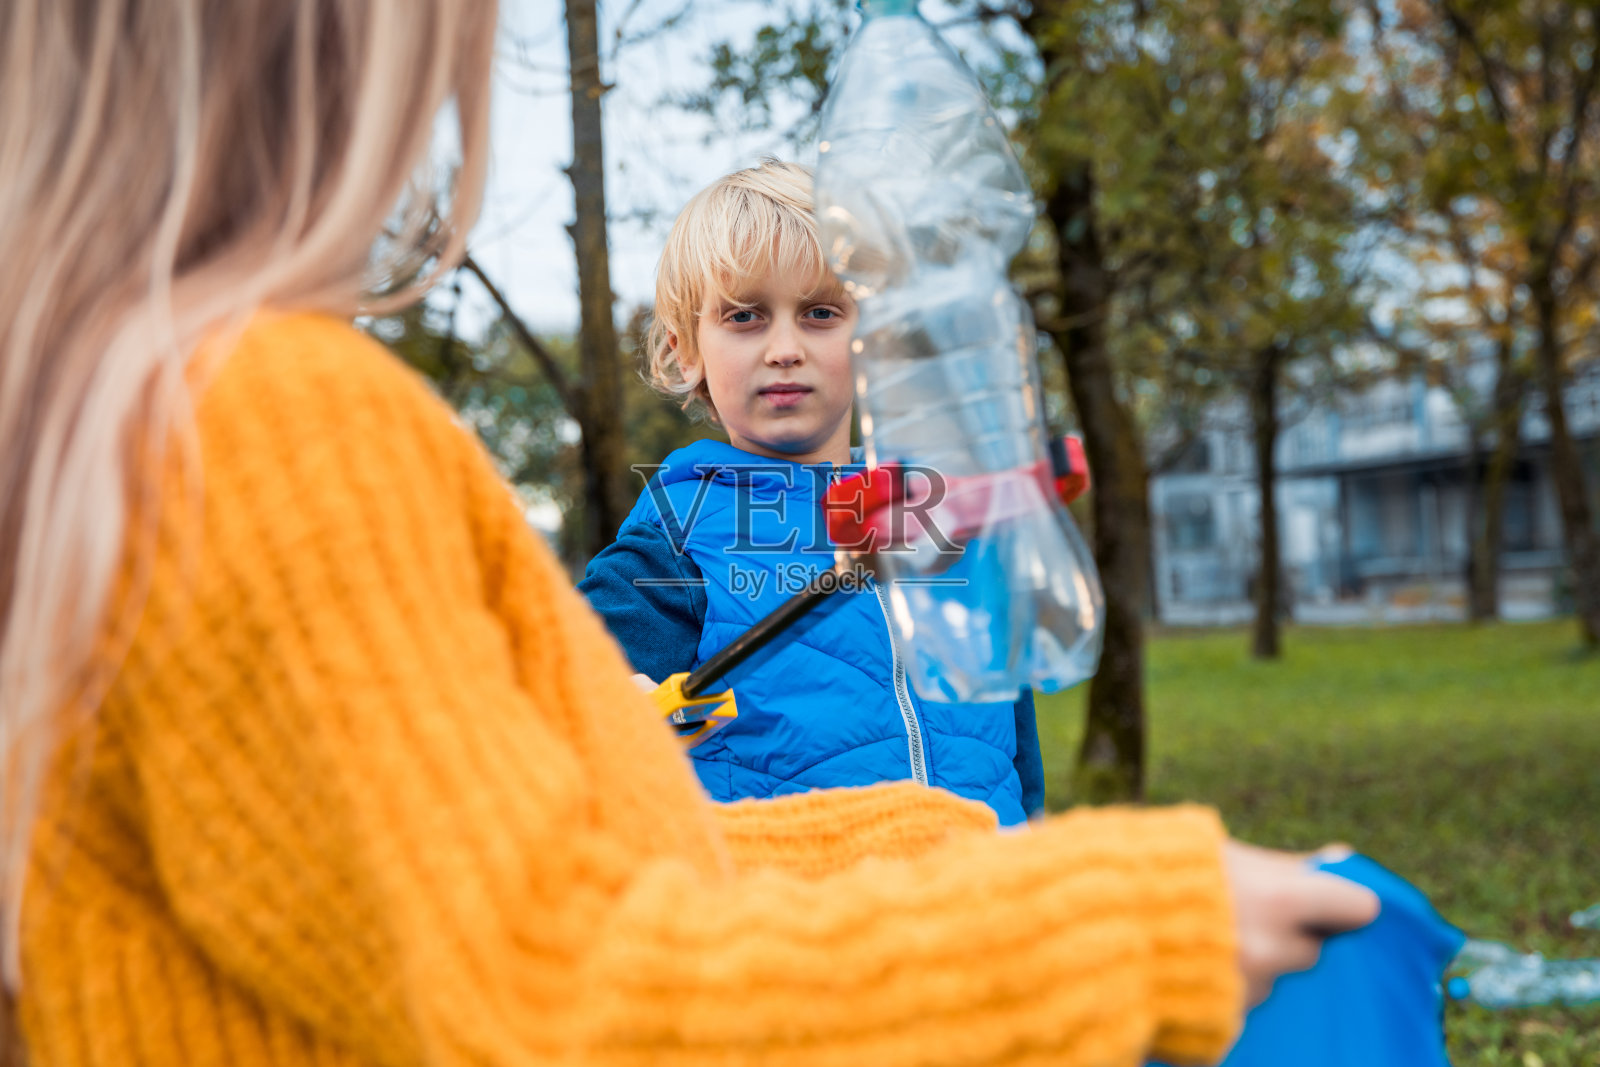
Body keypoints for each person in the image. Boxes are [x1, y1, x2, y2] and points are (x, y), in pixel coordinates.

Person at [0, 3, 1378, 1066]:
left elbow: (480, 884)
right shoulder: (271, 418)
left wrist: (976, 853)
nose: (785, 347)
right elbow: (548, 977)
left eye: (822, 314)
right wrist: (1116, 923)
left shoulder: (131, 412)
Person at [581, 161, 1045, 824]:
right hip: (791, 888)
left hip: (986, 882)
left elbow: (1014, 749)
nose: (785, 348)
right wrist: (602, 698)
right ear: (687, 351)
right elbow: (557, 690)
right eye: (745, 316)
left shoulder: (940, 519)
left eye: (821, 313)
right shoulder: (679, 539)